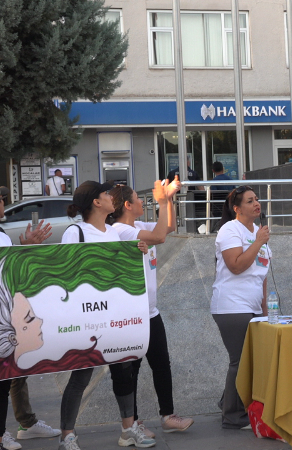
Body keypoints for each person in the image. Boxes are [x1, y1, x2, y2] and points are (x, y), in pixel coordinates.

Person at [59, 181, 155, 450]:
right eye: (105, 194)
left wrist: (137, 253)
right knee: (81, 376)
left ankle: (128, 430)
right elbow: (67, 273)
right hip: (86, 318)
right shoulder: (76, 232)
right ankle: (67, 435)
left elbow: (123, 268)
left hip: (114, 316)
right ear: (95, 202)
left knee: (123, 370)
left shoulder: (113, 232)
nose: (111, 197)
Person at [108, 178, 195, 436]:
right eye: (138, 198)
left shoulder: (137, 226)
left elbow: (167, 227)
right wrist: (160, 200)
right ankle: (132, 422)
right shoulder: (119, 231)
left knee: (162, 365)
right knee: (130, 371)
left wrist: (168, 199)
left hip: (150, 312)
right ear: (127, 204)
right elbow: (159, 236)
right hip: (130, 314)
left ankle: (168, 416)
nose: (141, 202)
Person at [0, 184, 59, 450]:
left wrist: (25, 249)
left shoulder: (2, 240)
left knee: (0, 388)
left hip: (2, 335)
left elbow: (12, 279)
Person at [212, 186, 271, 429]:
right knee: (240, 360)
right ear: (237, 209)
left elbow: (262, 274)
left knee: (253, 360)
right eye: (250, 201)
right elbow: (235, 265)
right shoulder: (230, 230)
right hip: (231, 305)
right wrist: (257, 243)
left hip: (254, 305)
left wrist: (266, 309)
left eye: (256, 199)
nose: (256, 203)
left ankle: (228, 402)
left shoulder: (259, 232)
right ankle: (233, 416)